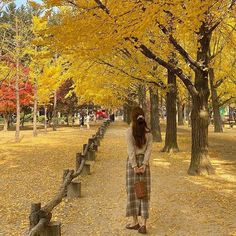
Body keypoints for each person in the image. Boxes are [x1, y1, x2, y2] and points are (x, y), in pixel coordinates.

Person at [125, 106, 153, 234]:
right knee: (144, 192)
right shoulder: (149, 133)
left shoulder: (129, 132)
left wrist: (135, 166)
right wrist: (144, 164)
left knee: (132, 192)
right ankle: (143, 224)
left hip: (132, 165)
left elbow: (130, 151)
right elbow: (148, 151)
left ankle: (135, 221)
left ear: (133, 118)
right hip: (144, 165)